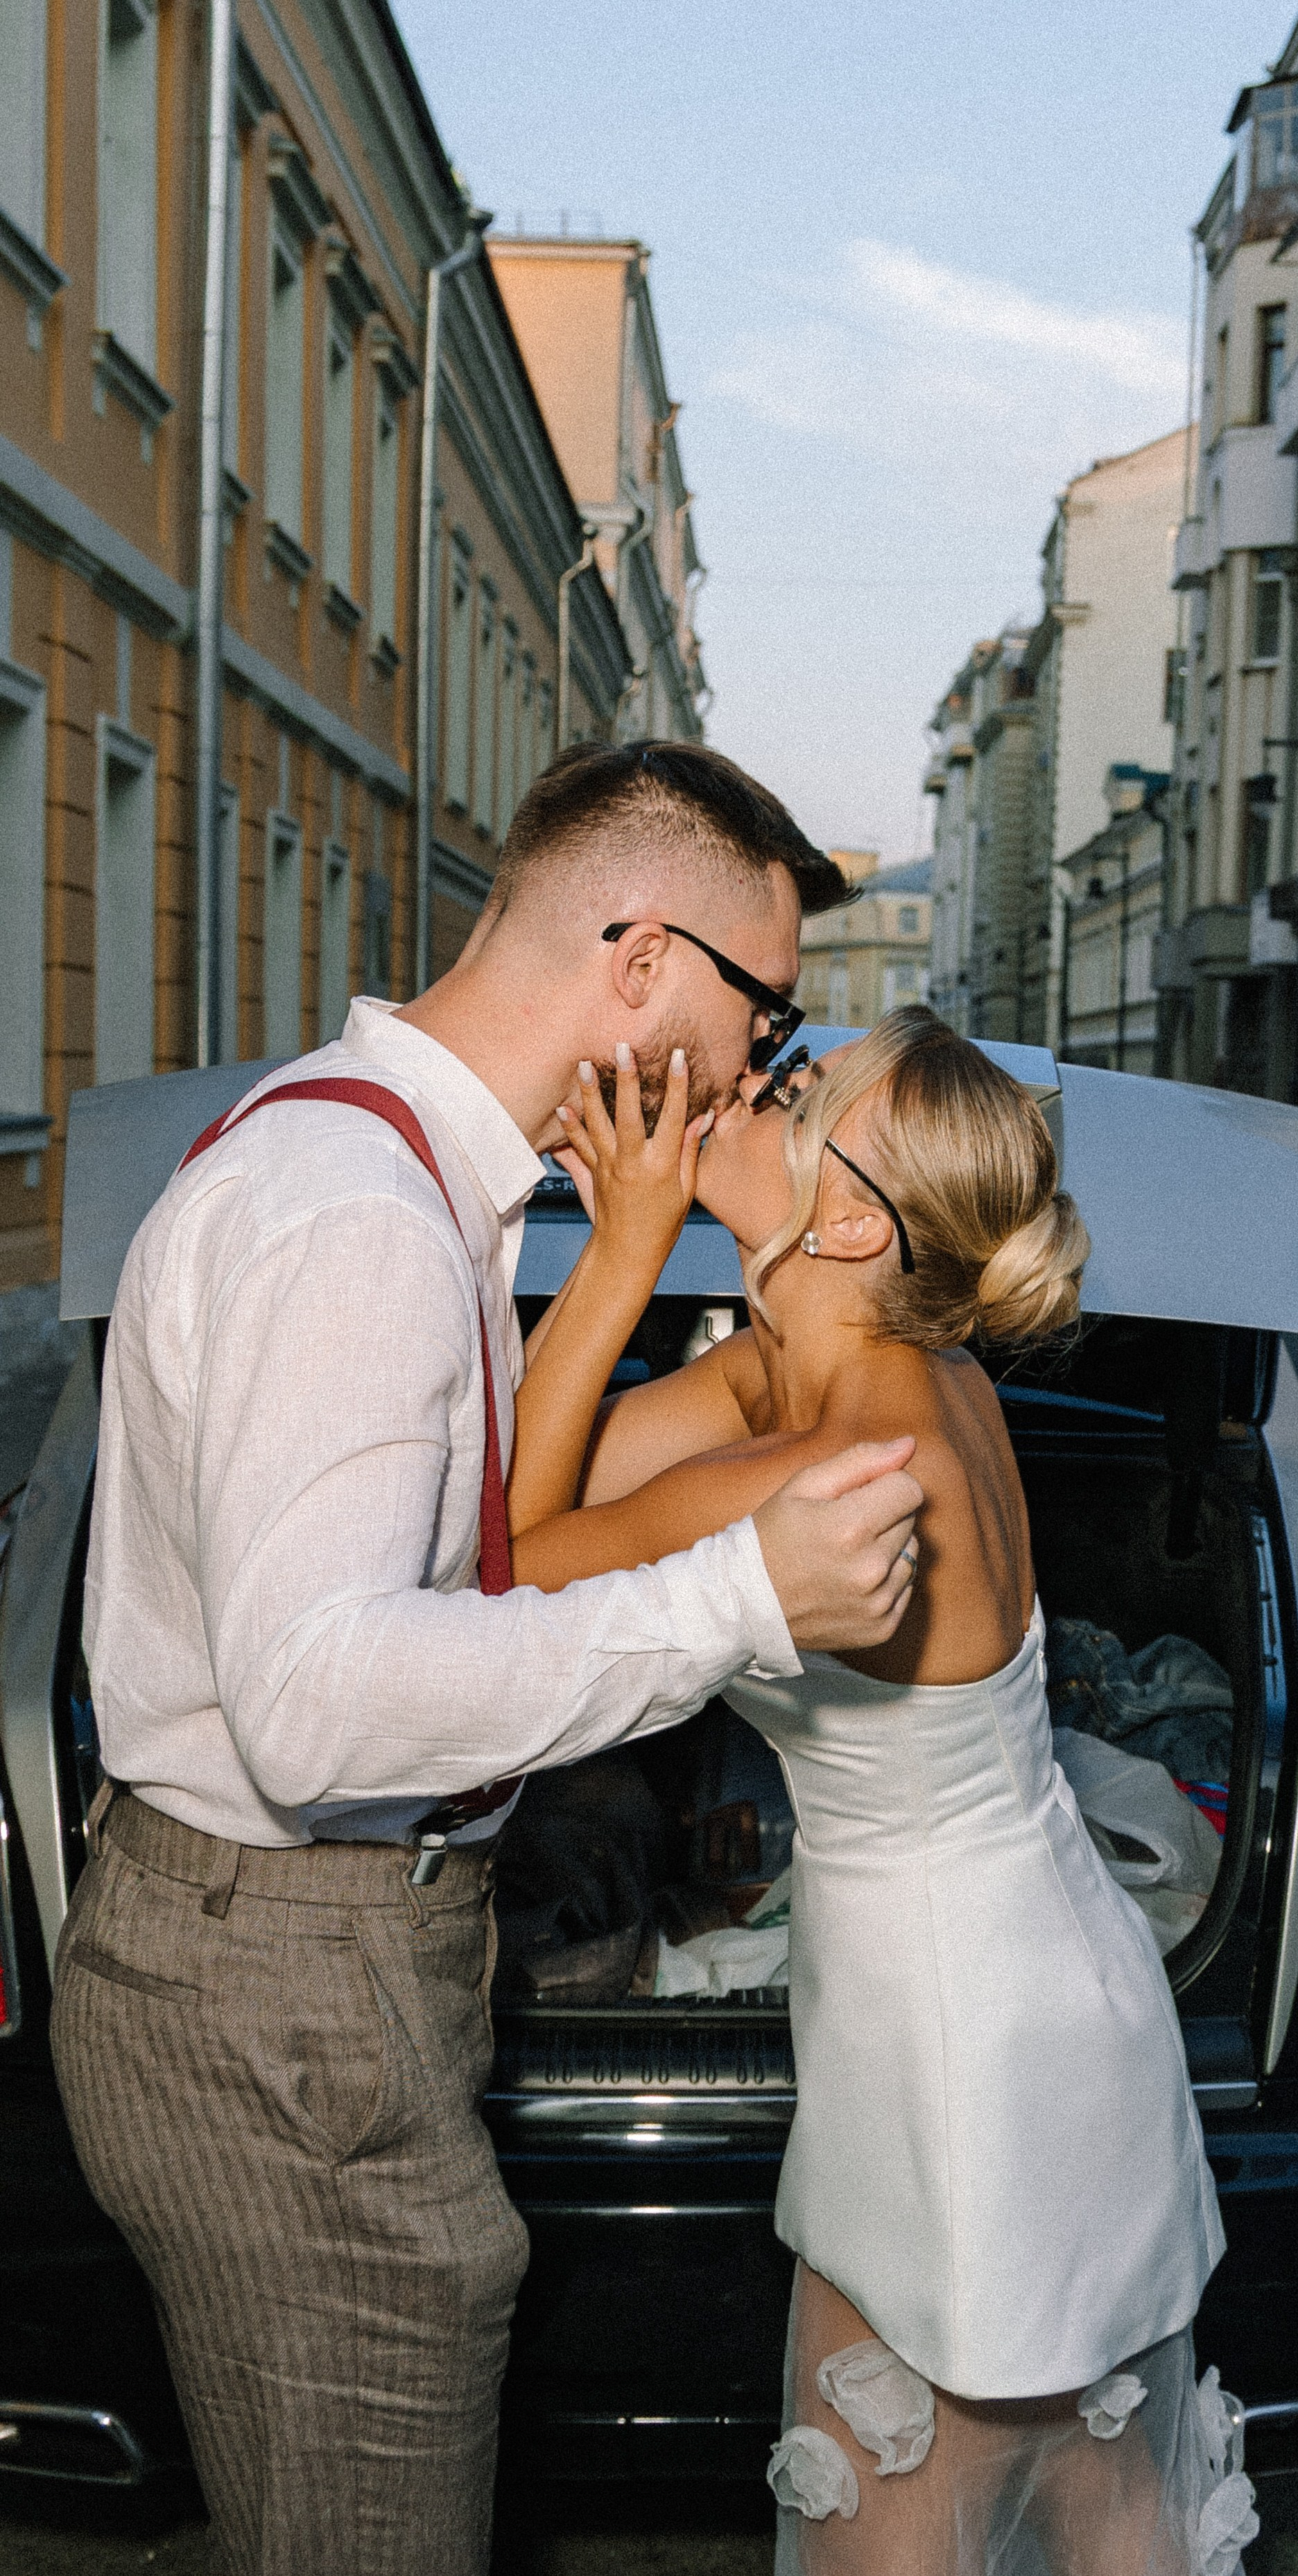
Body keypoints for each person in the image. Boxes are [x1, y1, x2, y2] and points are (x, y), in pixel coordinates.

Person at [49, 742, 927, 2576]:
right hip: (283, 1990)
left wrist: (616, 1260)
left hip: (296, 1971)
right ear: (643, 965)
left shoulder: (386, 1165)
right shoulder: (357, 1214)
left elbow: (488, 1532)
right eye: (759, 1010)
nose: (759, 1065)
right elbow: (320, 1708)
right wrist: (743, 1600)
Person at [507, 1007, 1258, 2576]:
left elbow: (494, 1557)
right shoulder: (849, 1371)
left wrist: (621, 1248)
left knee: (894, 2532)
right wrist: (645, 1246)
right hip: (1027, 1988)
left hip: (956, 2049)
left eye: (792, 1097)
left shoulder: (845, 1457)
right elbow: (540, 1479)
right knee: (1099, 2512)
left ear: (847, 1215)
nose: (747, 1096)